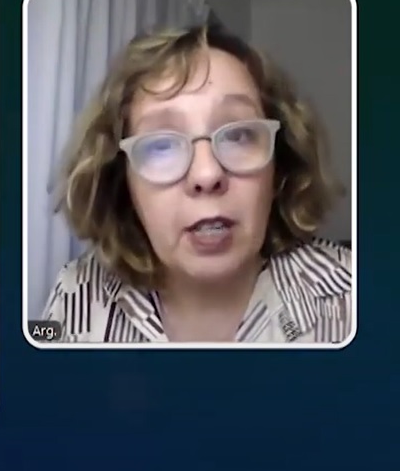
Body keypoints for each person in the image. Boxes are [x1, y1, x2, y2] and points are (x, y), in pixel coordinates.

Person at [42, 23, 350, 343]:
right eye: (162, 145)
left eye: (238, 135)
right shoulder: (76, 296)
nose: (207, 174)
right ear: (123, 182)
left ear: (279, 166)